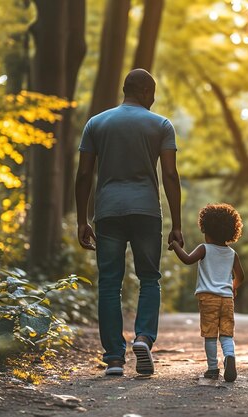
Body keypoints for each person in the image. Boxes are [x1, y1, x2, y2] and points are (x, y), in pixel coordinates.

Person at [75, 68, 183, 377]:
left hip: (108, 211)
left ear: (125, 90)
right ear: (147, 93)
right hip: (146, 211)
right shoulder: (161, 125)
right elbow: (171, 175)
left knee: (110, 282)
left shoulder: (95, 124)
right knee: (149, 278)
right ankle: (144, 338)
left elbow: (84, 175)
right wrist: (177, 224)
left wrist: (82, 219)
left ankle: (113, 359)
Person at [168, 203, 245, 382]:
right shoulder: (232, 253)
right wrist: (233, 286)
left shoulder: (204, 248)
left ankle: (212, 369)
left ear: (206, 229)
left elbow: (187, 260)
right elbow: (240, 276)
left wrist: (175, 246)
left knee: (210, 335)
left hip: (208, 298)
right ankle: (229, 356)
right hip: (227, 300)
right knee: (226, 334)